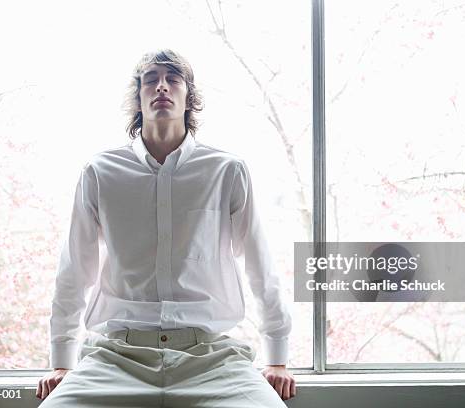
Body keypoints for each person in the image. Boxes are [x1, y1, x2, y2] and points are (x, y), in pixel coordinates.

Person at [36, 48, 295, 407]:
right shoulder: (99, 172)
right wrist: (62, 362)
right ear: (139, 96)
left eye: (173, 80)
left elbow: (259, 265)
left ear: (188, 98)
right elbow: (74, 270)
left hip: (211, 358)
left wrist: (277, 356)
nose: (162, 87)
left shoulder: (226, 170)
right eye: (151, 80)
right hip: (115, 357)